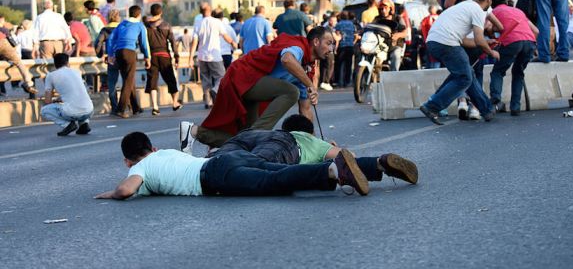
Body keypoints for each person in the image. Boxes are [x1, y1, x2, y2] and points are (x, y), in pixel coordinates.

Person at [95, 131, 418, 200]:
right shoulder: (163, 152)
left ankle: (332, 173)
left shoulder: (140, 168)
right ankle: (377, 165)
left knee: (273, 183)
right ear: (151, 147)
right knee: (277, 172)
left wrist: (108, 194)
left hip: (215, 175)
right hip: (227, 159)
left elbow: (126, 191)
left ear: (128, 159)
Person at [179, 27, 333, 153]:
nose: (331, 49)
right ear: (316, 41)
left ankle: (193, 132)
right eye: (329, 43)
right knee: (291, 92)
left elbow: (305, 110)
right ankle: (255, 135)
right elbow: (287, 59)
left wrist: (318, 146)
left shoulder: (307, 68)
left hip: (253, 88)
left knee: (246, 142)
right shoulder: (298, 47)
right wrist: (310, 84)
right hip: (243, 77)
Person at [207, 114, 418, 184]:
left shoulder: (268, 133)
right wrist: (333, 147)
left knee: (217, 165)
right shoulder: (309, 140)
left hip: (244, 139)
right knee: (256, 169)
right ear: (308, 132)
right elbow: (349, 157)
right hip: (282, 149)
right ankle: (380, 163)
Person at [419, 0, 500, 125]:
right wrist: (491, 51)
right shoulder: (478, 11)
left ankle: (487, 110)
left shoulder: (466, 6)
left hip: (435, 41)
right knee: (464, 77)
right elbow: (479, 40)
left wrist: (486, 43)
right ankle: (432, 106)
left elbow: (465, 41)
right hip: (446, 42)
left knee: (467, 74)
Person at [488, 0, 538, 116]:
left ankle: (496, 100)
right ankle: (515, 107)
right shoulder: (518, 11)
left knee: (498, 72)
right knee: (518, 73)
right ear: (506, 2)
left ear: (492, 3)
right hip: (529, 41)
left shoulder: (494, 12)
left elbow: (487, 27)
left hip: (511, 42)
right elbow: (536, 31)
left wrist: (493, 35)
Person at [108, 5, 150, 118]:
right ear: (139, 15)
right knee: (128, 80)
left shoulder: (121, 24)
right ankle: (121, 109)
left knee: (128, 79)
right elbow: (144, 43)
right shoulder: (139, 25)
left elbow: (111, 38)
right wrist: (147, 57)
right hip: (129, 52)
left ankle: (135, 107)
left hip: (119, 52)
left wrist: (110, 54)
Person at [188, 4, 231, 109]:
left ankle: (208, 102)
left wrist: (190, 58)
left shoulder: (198, 23)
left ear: (200, 11)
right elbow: (225, 36)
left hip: (202, 56)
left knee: (205, 79)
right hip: (214, 56)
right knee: (221, 76)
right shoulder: (217, 22)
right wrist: (233, 43)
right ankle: (215, 90)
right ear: (210, 10)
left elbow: (194, 42)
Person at [41, 53, 94, 136]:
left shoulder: (50, 76)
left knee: (44, 110)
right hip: (89, 110)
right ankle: (84, 123)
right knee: (80, 102)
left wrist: (56, 101)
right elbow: (77, 93)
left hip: (72, 113)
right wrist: (61, 98)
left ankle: (68, 125)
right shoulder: (77, 72)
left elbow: (48, 101)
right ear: (67, 63)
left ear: (55, 64)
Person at [144, 3, 182, 115]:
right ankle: (175, 103)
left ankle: (155, 107)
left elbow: (143, 42)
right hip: (165, 55)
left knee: (153, 81)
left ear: (151, 12)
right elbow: (173, 42)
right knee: (170, 79)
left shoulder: (146, 26)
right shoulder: (166, 25)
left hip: (152, 56)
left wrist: (146, 56)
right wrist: (176, 56)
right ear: (160, 12)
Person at [0, 17, 37, 95]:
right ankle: (28, 82)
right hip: (4, 42)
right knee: (19, 63)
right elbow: (14, 43)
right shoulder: (4, 29)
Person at [95, 9, 121, 112]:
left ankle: (114, 107)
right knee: (128, 82)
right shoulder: (122, 28)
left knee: (111, 83)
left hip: (111, 58)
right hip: (124, 56)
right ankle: (127, 105)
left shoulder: (105, 30)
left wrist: (100, 54)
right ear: (118, 17)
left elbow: (98, 43)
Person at [372, 0, 408, 72]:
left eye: (385, 8)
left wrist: (397, 35)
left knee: (395, 56)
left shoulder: (397, 18)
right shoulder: (377, 19)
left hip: (395, 45)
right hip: (381, 45)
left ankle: (394, 76)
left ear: (391, 9)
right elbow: (370, 27)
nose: (383, 11)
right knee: (373, 56)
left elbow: (405, 32)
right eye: (381, 9)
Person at [335, 11, 356, 87]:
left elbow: (337, 35)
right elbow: (354, 34)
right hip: (350, 46)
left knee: (339, 65)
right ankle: (347, 81)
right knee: (348, 65)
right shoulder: (351, 24)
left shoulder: (339, 24)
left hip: (342, 46)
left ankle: (338, 81)